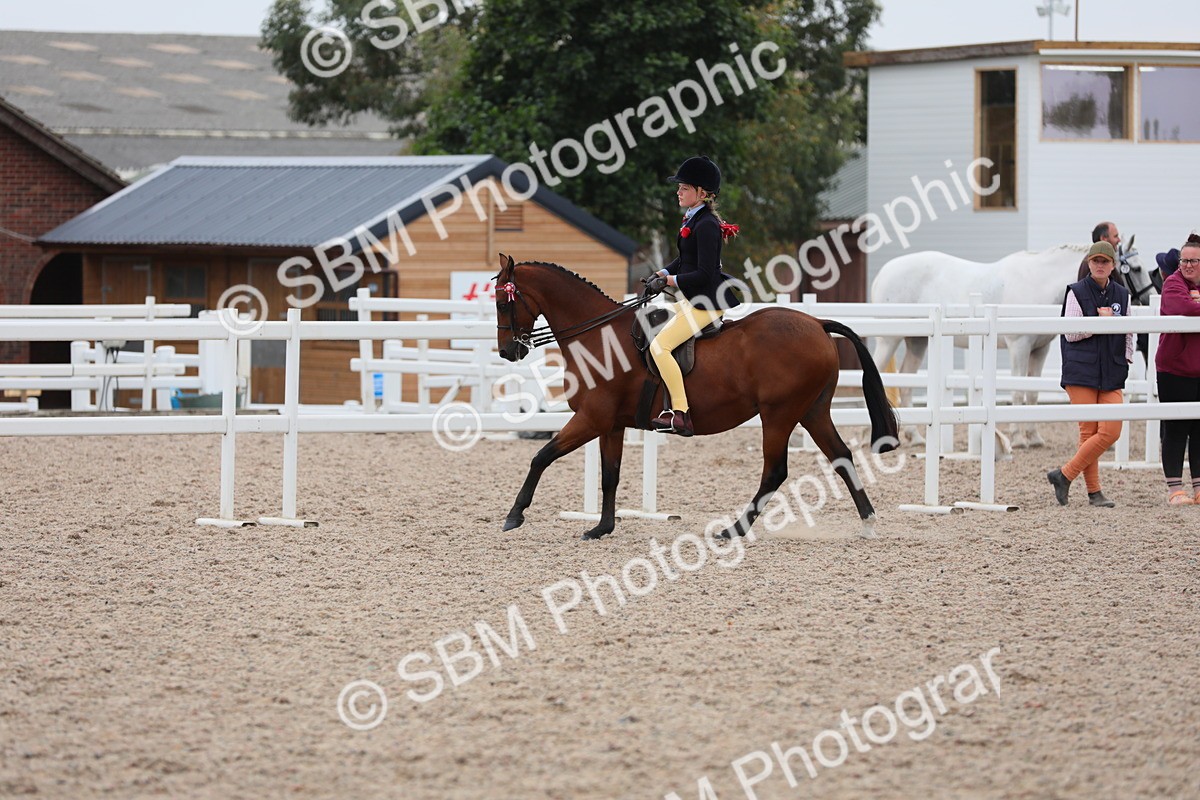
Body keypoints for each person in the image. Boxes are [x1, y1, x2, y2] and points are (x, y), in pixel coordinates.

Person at [644, 155, 741, 436]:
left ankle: (681, 414)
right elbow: (683, 259)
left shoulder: (707, 224)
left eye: (684, 188)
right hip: (691, 299)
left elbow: (704, 273)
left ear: (701, 193)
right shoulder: (693, 219)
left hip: (705, 303)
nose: (678, 192)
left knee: (659, 347)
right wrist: (661, 273)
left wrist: (671, 280)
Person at [1048, 240, 1134, 507]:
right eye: (1095, 261)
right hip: (1081, 370)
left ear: (1112, 265)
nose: (1099, 265)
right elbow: (1071, 333)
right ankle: (1094, 492)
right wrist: (1099, 323)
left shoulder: (1122, 294)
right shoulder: (1075, 292)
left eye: (1104, 261)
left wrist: (1127, 358)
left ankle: (1064, 474)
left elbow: (1131, 330)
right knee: (1089, 432)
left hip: (1111, 369)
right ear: (1088, 263)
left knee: (1110, 430)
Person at [1153, 233, 1200, 505]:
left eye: (1194, 260)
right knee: (1175, 427)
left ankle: (1197, 486)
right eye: (1184, 260)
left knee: (1199, 429)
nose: (1188, 265)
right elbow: (1179, 307)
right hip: (1174, 369)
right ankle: (1174, 489)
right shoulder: (1172, 283)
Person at [1076, 221, 1127, 288]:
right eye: (1115, 236)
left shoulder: (1089, 260)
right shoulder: (1087, 263)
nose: (1119, 240)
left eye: (1105, 262)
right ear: (1103, 238)